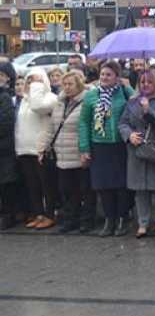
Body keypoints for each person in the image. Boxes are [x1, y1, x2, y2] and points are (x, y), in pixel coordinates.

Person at [80, 61, 134, 237]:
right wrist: (84, 147)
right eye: (103, 74)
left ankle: (122, 218)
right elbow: (84, 123)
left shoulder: (124, 93)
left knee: (121, 185)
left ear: (117, 77)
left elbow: (137, 104)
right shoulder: (91, 96)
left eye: (109, 74)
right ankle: (109, 219)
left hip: (120, 145)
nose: (104, 77)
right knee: (103, 186)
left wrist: (129, 88)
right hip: (99, 145)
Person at [120, 69, 155, 238]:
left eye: (149, 82)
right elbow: (123, 122)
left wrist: (148, 110)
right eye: (142, 82)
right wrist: (129, 135)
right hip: (136, 150)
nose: (146, 85)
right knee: (140, 190)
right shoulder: (131, 101)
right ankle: (142, 223)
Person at [37, 70, 90, 234]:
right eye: (64, 84)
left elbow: (87, 128)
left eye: (70, 84)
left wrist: (86, 150)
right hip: (62, 154)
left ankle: (86, 221)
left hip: (78, 152)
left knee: (85, 190)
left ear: (79, 85)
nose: (66, 88)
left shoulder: (87, 101)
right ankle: (70, 219)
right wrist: (43, 148)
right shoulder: (59, 103)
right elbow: (52, 128)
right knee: (67, 190)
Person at [17, 68, 58, 230]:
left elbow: (38, 107)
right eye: (28, 81)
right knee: (33, 185)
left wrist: (37, 85)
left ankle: (50, 214)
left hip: (41, 150)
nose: (30, 84)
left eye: (34, 80)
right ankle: (38, 213)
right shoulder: (24, 101)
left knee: (46, 185)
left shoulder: (50, 98)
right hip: (25, 149)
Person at [0, 62, 16, 231]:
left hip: (4, 148)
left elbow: (5, 122)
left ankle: (8, 215)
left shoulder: (4, 97)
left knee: (6, 184)